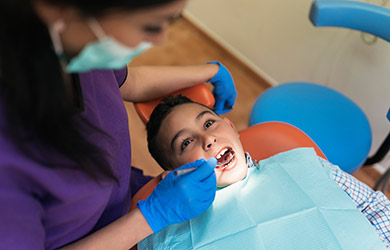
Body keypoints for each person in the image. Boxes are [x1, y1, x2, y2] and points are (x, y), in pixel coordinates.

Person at [0, 0, 238, 249]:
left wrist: (210, 71)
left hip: (126, 196)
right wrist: (151, 216)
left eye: (170, 21)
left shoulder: (82, 51)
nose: (160, 40)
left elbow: (129, 81)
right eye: (150, 25)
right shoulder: (8, 160)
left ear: (231, 126)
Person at [144, 94, 390, 248]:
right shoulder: (169, 235)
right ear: (174, 173)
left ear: (230, 127)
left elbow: (376, 207)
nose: (208, 139)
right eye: (186, 143)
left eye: (209, 123)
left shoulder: (306, 165)